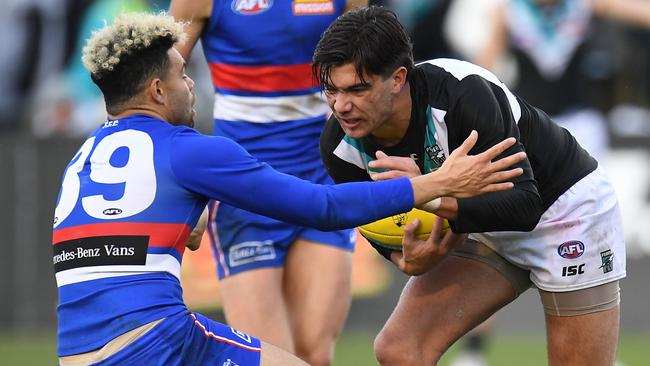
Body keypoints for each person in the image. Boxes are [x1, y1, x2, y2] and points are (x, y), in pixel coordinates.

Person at [52, 12, 525, 365]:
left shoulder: (84, 156)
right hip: (156, 339)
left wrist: (192, 213)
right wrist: (435, 183)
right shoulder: (194, 150)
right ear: (157, 91)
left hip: (75, 350)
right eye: (182, 74)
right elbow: (321, 206)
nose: (193, 85)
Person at [314, 6, 626, 366]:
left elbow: (524, 207)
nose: (341, 106)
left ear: (398, 79)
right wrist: (404, 257)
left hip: (567, 212)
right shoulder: (339, 148)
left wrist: (427, 193)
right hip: (482, 227)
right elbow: (376, 225)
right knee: (399, 349)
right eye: (331, 90)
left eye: (358, 89)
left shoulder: (462, 94)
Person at [168, 1, 368, 364]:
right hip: (243, 193)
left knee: (315, 355)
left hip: (320, 181)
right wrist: (182, 188)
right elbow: (157, 86)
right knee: (270, 359)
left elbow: (373, 64)